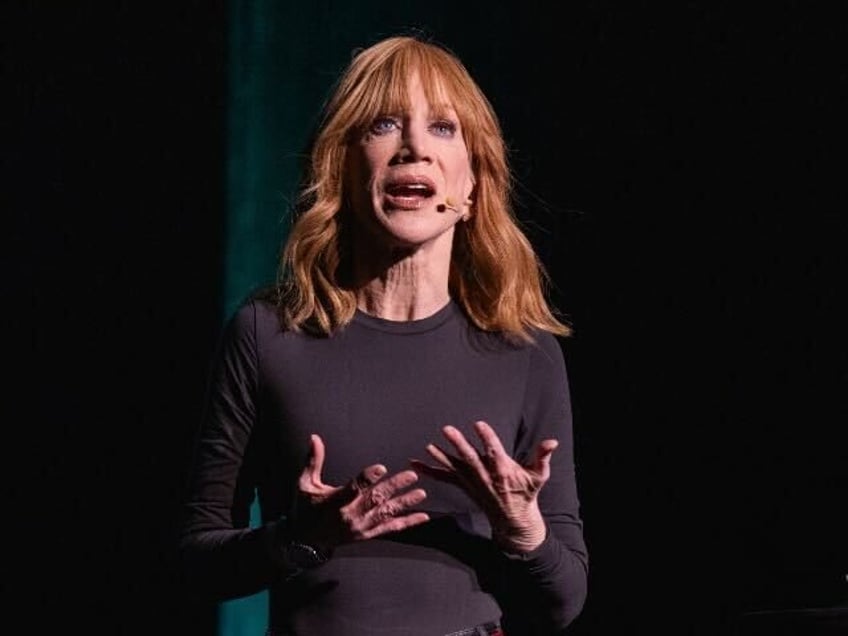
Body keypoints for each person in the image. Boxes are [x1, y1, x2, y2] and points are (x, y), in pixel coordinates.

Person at [179, 33, 588, 635]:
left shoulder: (524, 352)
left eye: (443, 128)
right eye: (383, 125)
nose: (415, 147)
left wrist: (523, 528)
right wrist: (304, 537)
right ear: (344, 168)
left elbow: (564, 602)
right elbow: (196, 562)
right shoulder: (269, 333)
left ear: (472, 186)